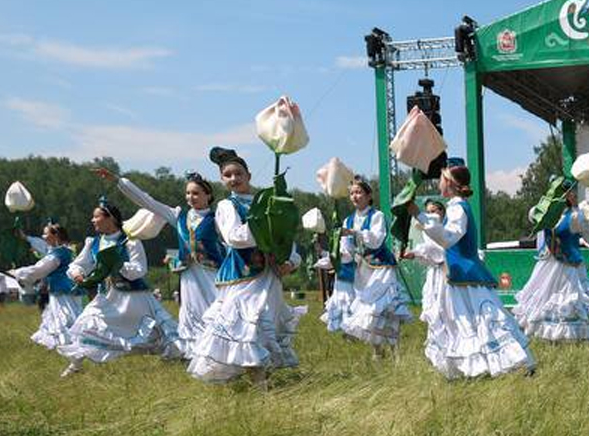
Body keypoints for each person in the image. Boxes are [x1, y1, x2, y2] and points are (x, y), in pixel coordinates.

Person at [186, 147, 304, 384]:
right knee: (245, 326)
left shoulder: (269, 201)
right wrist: (263, 225)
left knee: (264, 327)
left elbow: (286, 236)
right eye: (227, 175)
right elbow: (234, 237)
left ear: (248, 175)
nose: (233, 179)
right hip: (243, 276)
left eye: (238, 173)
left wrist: (291, 260)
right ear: (222, 179)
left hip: (269, 277)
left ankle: (263, 379)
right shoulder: (226, 207)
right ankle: (259, 386)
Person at [411, 163, 535, 378]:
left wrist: (420, 216)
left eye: (441, 178)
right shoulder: (456, 205)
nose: (438, 183)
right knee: (468, 321)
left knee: (478, 319)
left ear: (449, 182)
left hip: (465, 276)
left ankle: (510, 362)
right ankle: (477, 369)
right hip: (460, 275)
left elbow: (448, 238)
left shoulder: (457, 207)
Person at [103, 168, 222, 357]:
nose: (191, 197)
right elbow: (147, 201)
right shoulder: (178, 216)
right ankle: (194, 354)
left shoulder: (218, 217)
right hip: (189, 276)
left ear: (208, 195)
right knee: (191, 312)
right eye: (188, 193)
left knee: (215, 309)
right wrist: (119, 181)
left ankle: (220, 352)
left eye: (196, 193)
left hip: (212, 274)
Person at [60, 200, 181, 375]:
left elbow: (140, 269)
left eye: (96, 216)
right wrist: (78, 274)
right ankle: (76, 365)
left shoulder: (130, 242)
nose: (92, 220)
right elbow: (79, 264)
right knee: (87, 322)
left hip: (134, 297)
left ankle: (177, 358)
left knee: (156, 331)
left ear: (111, 219)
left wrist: (119, 265)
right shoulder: (93, 243)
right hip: (107, 297)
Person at [323, 176, 410, 354]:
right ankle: (377, 351)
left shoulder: (377, 216)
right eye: (352, 193)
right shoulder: (348, 220)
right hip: (362, 271)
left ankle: (395, 350)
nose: (355, 196)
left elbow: (376, 240)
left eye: (359, 192)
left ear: (369, 196)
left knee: (382, 310)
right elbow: (346, 249)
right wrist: (333, 256)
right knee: (367, 312)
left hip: (381, 269)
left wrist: (355, 233)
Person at [514, 177, 589, 342]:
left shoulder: (544, 212)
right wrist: (586, 222)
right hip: (564, 263)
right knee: (564, 297)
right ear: (567, 196)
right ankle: (561, 334)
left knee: (547, 295)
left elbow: (533, 216)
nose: (575, 196)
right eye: (572, 193)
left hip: (550, 262)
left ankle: (549, 333)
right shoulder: (575, 216)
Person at [7, 222, 84, 357]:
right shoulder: (62, 251)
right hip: (64, 289)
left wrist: (17, 273)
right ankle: (65, 346)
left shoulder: (58, 253)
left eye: (45, 233)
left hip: (63, 290)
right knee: (57, 317)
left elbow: (40, 269)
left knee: (66, 319)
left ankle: (74, 346)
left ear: (55, 236)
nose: (43, 236)